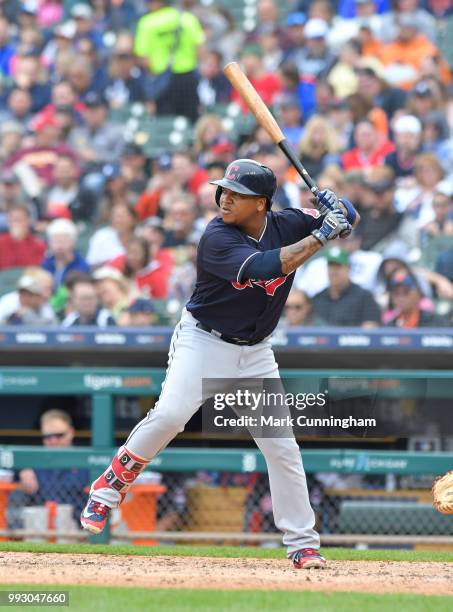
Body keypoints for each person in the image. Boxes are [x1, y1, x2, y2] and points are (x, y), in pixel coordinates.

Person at [81, 158, 359, 570]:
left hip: (256, 352)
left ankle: (302, 543)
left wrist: (334, 204)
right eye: (224, 190)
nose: (225, 198)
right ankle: (109, 485)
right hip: (203, 340)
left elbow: (351, 218)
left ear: (262, 203)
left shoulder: (288, 221)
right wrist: (322, 231)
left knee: (281, 447)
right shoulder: (216, 237)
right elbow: (271, 265)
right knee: (172, 414)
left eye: (238, 194)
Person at [14, 409, 89, 521]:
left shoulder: (87, 460)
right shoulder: (35, 462)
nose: (53, 441)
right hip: (42, 525)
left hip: (81, 526)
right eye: (48, 437)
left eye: (59, 435)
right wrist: (23, 471)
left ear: (71, 433)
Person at [312, 247, 381, 327]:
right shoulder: (319, 297)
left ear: (348, 268)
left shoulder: (364, 297)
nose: (333, 271)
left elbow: (370, 329)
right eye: (331, 266)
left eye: (338, 266)